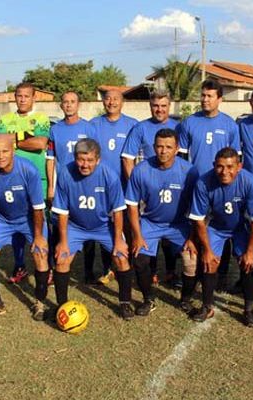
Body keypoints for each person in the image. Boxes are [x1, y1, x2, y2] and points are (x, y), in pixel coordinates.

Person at [51, 139, 133, 320]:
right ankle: (61, 305)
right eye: (80, 160)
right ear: (75, 158)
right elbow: (62, 212)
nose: (84, 165)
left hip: (104, 226)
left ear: (98, 159)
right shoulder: (65, 173)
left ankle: (125, 302)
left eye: (89, 160)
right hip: (76, 226)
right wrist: (63, 243)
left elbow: (119, 211)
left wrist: (119, 240)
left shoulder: (109, 175)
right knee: (62, 259)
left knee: (121, 257)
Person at [0, 134, 49, 321]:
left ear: (13, 150)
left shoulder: (28, 170)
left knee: (40, 253)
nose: (0, 156)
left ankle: (40, 302)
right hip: (4, 219)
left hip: (29, 218)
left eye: (5, 151)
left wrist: (38, 236)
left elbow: (38, 208)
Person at [125, 129, 199, 316]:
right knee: (139, 258)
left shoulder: (189, 171)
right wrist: (137, 236)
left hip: (179, 224)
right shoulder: (141, 170)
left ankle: (185, 299)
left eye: (168, 147)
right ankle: (148, 299)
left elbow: (197, 207)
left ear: (177, 149)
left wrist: (192, 236)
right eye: (159, 146)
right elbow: (132, 206)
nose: (163, 151)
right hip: (151, 222)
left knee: (191, 259)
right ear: (154, 147)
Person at [188, 147, 253, 326]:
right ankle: (207, 306)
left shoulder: (251, 183)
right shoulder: (203, 183)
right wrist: (206, 250)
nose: (225, 172)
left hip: (241, 228)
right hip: (216, 227)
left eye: (230, 167)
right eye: (220, 167)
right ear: (214, 166)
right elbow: (199, 220)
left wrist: (250, 251)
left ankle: (248, 309)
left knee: (247, 264)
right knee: (209, 262)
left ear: (239, 166)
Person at [177, 79, 240, 290]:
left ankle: (220, 274)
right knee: (196, 227)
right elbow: (183, 158)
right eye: (203, 95)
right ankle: (193, 275)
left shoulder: (230, 124)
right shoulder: (188, 123)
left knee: (223, 227)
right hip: (197, 186)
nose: (205, 99)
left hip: (222, 186)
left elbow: (236, 159)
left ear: (219, 99)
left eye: (210, 96)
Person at [0, 82, 50, 284]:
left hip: (37, 180)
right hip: (9, 180)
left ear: (34, 98)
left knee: (40, 221)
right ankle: (19, 265)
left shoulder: (42, 119)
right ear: (15, 97)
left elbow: (40, 143)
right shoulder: (5, 119)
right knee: (14, 219)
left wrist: (13, 140)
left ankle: (46, 266)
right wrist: (26, 138)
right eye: (19, 96)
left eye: (27, 96)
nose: (22, 99)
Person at [121, 90, 180, 287]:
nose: (159, 110)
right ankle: (152, 271)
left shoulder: (178, 126)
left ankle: (171, 271)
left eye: (163, 106)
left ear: (169, 106)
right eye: (156, 106)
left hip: (172, 187)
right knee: (149, 231)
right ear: (150, 106)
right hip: (148, 188)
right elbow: (127, 158)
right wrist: (137, 186)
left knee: (171, 232)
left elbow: (184, 158)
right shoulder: (140, 128)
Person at [46, 91, 103, 285]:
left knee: (87, 225)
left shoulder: (89, 128)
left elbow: (96, 157)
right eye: (65, 102)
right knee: (57, 227)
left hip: (85, 185)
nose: (69, 105)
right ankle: (55, 268)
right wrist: (51, 187)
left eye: (72, 102)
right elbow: (50, 159)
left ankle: (88, 271)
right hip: (64, 185)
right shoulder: (55, 130)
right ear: (61, 105)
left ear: (78, 104)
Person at [89, 89, 137, 284]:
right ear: (103, 102)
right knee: (104, 226)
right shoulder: (94, 125)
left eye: (115, 99)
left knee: (128, 225)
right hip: (100, 187)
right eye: (108, 98)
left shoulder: (132, 125)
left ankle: (131, 264)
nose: (111, 102)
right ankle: (108, 267)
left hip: (125, 186)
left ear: (122, 102)